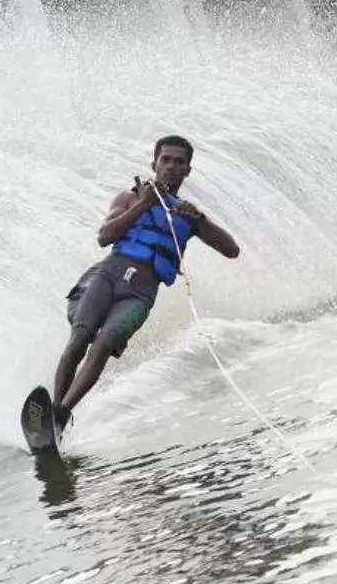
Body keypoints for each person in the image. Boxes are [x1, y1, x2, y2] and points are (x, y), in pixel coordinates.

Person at [50, 134, 240, 435]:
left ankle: (60, 415)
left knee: (104, 344)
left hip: (139, 294)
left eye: (179, 162)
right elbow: (104, 236)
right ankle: (52, 414)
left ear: (188, 170)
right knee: (80, 337)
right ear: (154, 163)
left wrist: (201, 220)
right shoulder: (129, 198)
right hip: (107, 276)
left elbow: (232, 250)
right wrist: (143, 205)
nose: (171, 166)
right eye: (165, 160)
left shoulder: (187, 216)